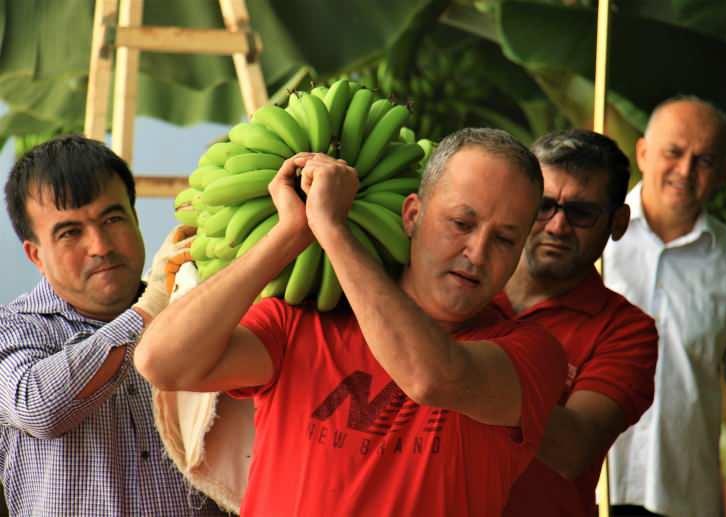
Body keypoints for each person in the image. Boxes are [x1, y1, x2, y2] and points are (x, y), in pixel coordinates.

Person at [134, 128, 568, 516]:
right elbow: (161, 362)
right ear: (412, 214)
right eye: (461, 223)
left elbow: (430, 377)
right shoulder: (305, 321)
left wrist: (332, 231)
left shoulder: (530, 353)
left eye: (505, 239)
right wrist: (291, 234)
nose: (477, 251)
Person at [0, 135, 226, 516]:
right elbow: (40, 408)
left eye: (113, 218)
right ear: (35, 254)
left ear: (135, 219)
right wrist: (152, 306)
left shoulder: (197, 312)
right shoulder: (14, 327)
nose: (100, 245)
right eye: (70, 232)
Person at [496, 129, 659, 516]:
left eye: (581, 212)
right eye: (543, 206)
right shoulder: (461, 284)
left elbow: (573, 449)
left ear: (618, 223)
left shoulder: (626, 330)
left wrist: (452, 370)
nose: (557, 226)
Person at [603, 96, 726, 517]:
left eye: (704, 160)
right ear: (644, 153)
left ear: (722, 173)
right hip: (589, 483)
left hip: (684, 493)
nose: (685, 171)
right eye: (673, 152)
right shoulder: (588, 238)